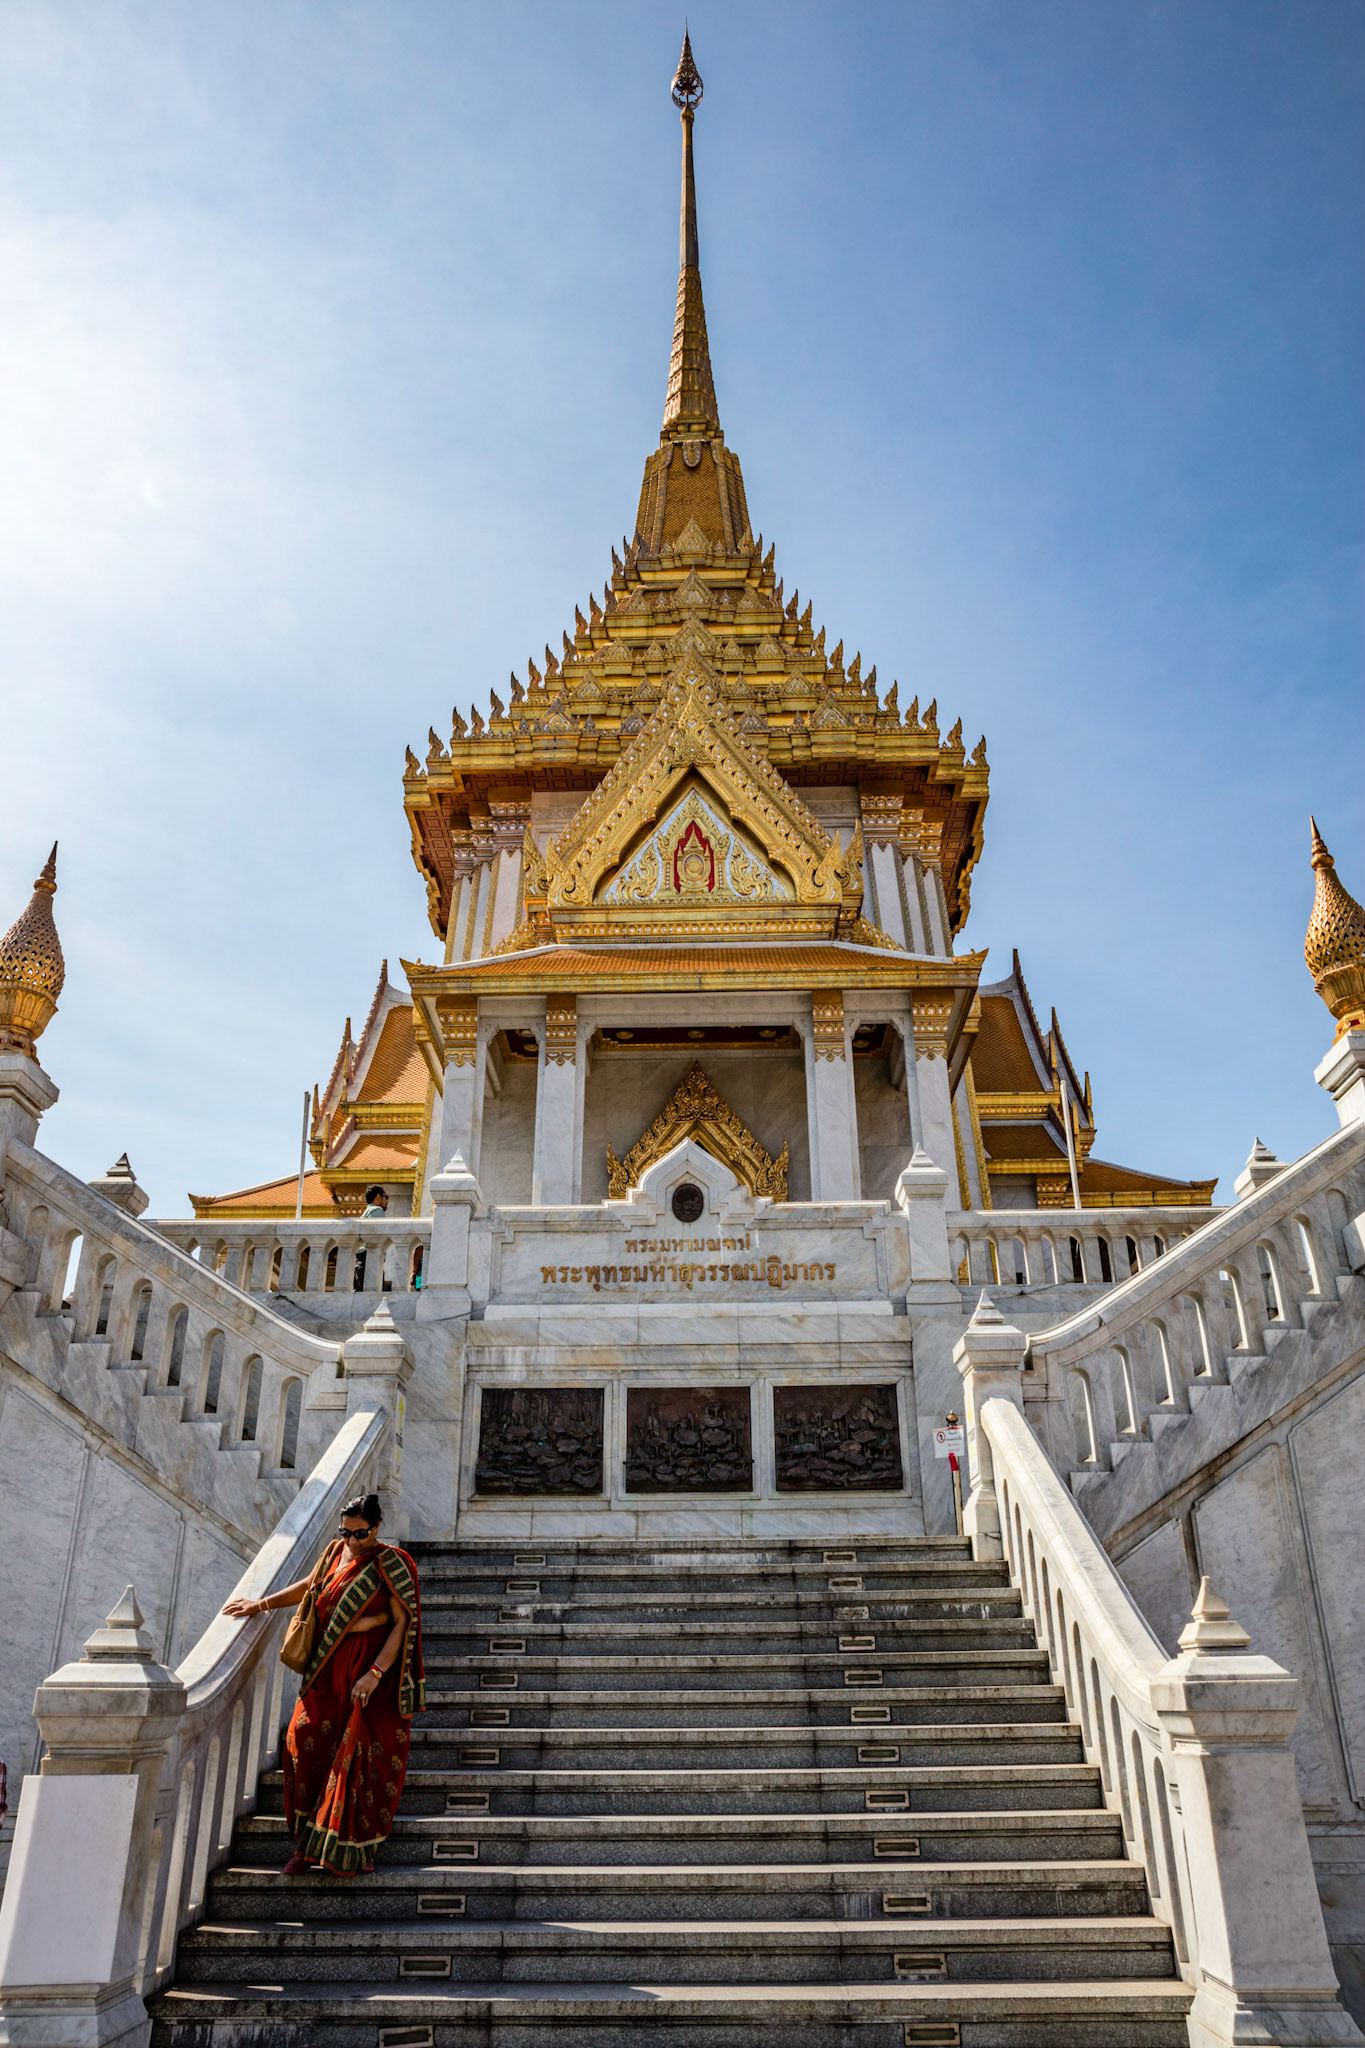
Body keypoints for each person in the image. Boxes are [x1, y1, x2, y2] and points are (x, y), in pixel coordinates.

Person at [222, 1492, 424, 1875]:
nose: (352, 1540)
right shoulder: (335, 1552)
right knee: (304, 1742)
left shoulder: (391, 1563)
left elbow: (402, 1623)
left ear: (377, 1528)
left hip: (366, 1670)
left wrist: (374, 1673)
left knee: (355, 1759)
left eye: (360, 1533)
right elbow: (311, 1586)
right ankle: (306, 1845)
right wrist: (260, 1604)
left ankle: (351, 1850)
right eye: (346, 1532)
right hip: (326, 1665)